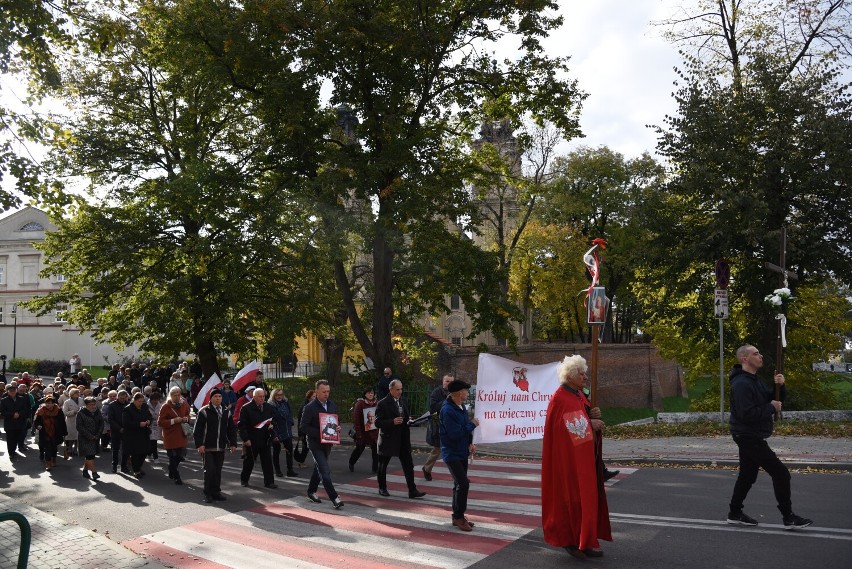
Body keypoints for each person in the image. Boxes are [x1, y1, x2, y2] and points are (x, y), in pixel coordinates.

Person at [726, 345, 813, 529]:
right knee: (781, 474)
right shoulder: (742, 384)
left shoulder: (754, 380)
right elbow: (746, 414)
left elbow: (774, 399)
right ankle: (788, 517)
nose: (760, 355)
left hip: (750, 434)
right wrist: (771, 407)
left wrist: (779, 386)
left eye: (760, 352)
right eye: (755, 353)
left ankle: (734, 513)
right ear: (744, 359)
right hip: (747, 435)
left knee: (747, 476)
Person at [542, 355, 611, 559]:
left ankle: (585, 540)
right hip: (568, 463)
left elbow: (581, 420)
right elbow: (566, 431)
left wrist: (592, 415)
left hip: (583, 461)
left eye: (584, 373)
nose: (585, 377)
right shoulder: (560, 399)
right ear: (571, 376)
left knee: (586, 501)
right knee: (571, 501)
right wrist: (591, 425)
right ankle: (571, 541)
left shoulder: (578, 395)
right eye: (581, 373)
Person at [439, 379, 480, 531]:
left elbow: (464, 427)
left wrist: (470, 442)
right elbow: (455, 433)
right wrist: (472, 425)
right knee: (463, 483)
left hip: (462, 450)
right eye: (466, 391)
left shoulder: (460, 406)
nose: (467, 393)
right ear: (459, 393)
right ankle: (458, 517)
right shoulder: (448, 410)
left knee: (458, 485)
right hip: (451, 452)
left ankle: (458, 516)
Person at [375, 379, 426, 499]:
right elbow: (377, 422)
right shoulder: (382, 403)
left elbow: (405, 416)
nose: (400, 392)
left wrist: (410, 420)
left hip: (403, 437)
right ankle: (382, 487)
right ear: (391, 389)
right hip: (388, 438)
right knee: (383, 464)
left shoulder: (403, 401)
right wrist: (391, 422)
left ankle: (412, 490)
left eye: (401, 389)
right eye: (397, 389)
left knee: (408, 464)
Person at [300, 380, 344, 508]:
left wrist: (338, 428)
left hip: (328, 443)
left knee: (318, 468)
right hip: (315, 444)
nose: (326, 394)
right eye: (324, 391)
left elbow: (336, 421)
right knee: (325, 471)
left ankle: (311, 491)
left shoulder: (331, 405)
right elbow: (303, 427)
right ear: (317, 392)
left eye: (328, 391)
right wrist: (320, 432)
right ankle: (335, 498)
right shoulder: (309, 407)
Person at [194, 388, 238, 503]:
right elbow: (197, 430)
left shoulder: (226, 411)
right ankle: (207, 493)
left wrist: (233, 443)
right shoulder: (204, 411)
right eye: (215, 397)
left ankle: (216, 491)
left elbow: (231, 429)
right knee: (210, 470)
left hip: (221, 446)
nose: (218, 398)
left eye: (220, 396)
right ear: (211, 398)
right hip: (207, 446)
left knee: (217, 470)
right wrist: (199, 444)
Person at [238, 388, 277, 488]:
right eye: (260, 396)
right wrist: (245, 439)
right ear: (254, 397)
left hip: (265, 439)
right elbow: (242, 425)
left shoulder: (268, 407)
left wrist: (272, 425)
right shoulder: (246, 408)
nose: (262, 398)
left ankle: (269, 482)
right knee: (249, 461)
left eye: (263, 396)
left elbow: (274, 419)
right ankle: (244, 480)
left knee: (267, 462)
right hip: (252, 440)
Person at [422, 373, 453, 481]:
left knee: (452, 451)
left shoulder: (455, 392)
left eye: (451, 382)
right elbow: (433, 408)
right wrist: (446, 401)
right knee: (437, 450)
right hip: (438, 425)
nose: (449, 383)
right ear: (443, 382)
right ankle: (427, 468)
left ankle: (458, 475)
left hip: (451, 425)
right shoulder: (437, 392)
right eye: (447, 381)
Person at [158, 386, 191, 484]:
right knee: (172, 457)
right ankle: (177, 477)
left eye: (178, 395)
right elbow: (160, 422)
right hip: (170, 435)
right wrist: (173, 421)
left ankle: (171, 469)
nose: (177, 397)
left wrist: (186, 418)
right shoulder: (165, 406)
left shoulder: (184, 404)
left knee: (181, 456)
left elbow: (188, 415)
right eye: (174, 395)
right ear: (170, 395)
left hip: (182, 434)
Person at [269, 388, 298, 477]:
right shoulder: (270, 405)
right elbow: (270, 421)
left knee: (289, 451)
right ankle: (278, 471)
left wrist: (290, 422)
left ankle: (290, 470)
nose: (279, 397)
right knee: (276, 451)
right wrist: (274, 434)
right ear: (274, 396)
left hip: (287, 430)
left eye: (281, 395)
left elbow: (289, 413)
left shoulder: (285, 402)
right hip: (277, 431)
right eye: (277, 395)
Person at [122, 392, 153, 478]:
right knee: (136, 453)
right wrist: (138, 424)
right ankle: (136, 470)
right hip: (133, 435)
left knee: (145, 451)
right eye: (139, 401)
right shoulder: (128, 409)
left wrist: (148, 421)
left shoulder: (144, 406)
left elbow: (150, 416)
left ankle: (138, 467)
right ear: (134, 400)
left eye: (142, 401)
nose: (141, 403)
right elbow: (126, 423)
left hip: (144, 433)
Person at [349, 387, 379, 473]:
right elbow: (356, 419)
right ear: (365, 394)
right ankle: (351, 462)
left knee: (375, 450)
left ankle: (375, 469)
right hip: (363, 431)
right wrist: (359, 433)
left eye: (372, 393)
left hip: (373, 431)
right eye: (368, 393)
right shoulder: (360, 404)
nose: (370, 394)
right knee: (359, 449)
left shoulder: (376, 403)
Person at [34, 395, 67, 471]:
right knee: (48, 448)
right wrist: (38, 426)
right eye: (46, 403)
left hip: (56, 432)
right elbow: (36, 421)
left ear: (53, 404)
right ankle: (48, 464)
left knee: (54, 447)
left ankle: (54, 459)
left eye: (49, 403)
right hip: (45, 432)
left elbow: (62, 422)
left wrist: (64, 432)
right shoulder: (41, 410)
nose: (48, 404)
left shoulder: (58, 411)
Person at [76, 396, 104, 480]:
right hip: (85, 438)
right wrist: (90, 436)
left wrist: (98, 434)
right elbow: (79, 427)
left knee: (91, 455)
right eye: (91, 404)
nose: (93, 406)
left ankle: (85, 470)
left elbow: (101, 423)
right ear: (86, 405)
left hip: (95, 436)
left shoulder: (97, 411)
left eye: (94, 404)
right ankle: (94, 472)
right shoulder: (81, 413)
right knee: (89, 455)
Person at [1, 383, 30, 462]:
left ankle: (14, 450)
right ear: (8, 392)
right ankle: (11, 453)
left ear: (16, 391)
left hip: (20, 422)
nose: (12, 392)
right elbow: (3, 411)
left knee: (17, 437)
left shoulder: (22, 399)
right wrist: (12, 414)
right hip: (9, 423)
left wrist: (19, 414)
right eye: (10, 391)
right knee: (10, 439)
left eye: (14, 391)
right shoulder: (4, 400)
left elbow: (25, 409)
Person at [107, 390, 130, 473]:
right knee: (115, 449)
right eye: (121, 398)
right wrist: (119, 428)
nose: (122, 400)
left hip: (127, 431)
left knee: (125, 449)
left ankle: (124, 466)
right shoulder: (112, 405)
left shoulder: (129, 404)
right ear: (118, 397)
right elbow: (110, 419)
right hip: (116, 430)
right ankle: (115, 465)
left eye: (124, 398)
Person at [295, 389, 316, 468]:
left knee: (309, 447)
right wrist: (300, 432)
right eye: (314, 396)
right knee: (306, 447)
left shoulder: (314, 406)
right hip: (305, 431)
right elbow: (300, 420)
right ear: (309, 397)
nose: (315, 398)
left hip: (311, 430)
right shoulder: (305, 407)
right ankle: (301, 462)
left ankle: (302, 461)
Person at [62, 387, 82, 459]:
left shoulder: (81, 400)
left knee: (78, 435)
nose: (78, 394)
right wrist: (73, 412)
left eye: (78, 393)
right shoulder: (67, 402)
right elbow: (65, 412)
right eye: (76, 393)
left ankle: (76, 448)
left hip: (80, 420)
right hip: (71, 420)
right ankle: (70, 448)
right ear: (72, 394)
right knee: (71, 435)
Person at [147, 390, 163, 459]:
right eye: (154, 400)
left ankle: (151, 454)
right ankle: (154, 456)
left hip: (157, 425)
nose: (155, 401)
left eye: (157, 400)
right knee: (151, 442)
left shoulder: (160, 406)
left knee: (154, 442)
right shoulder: (146, 405)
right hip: (149, 425)